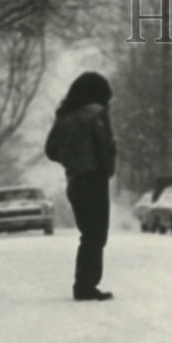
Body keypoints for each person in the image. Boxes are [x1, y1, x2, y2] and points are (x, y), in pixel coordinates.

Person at [45, 72, 117, 301]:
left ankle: (84, 283)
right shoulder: (96, 114)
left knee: (88, 234)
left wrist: (70, 160)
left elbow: (50, 150)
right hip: (94, 178)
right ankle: (85, 285)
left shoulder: (64, 117)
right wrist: (107, 166)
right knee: (96, 236)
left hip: (75, 180)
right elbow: (104, 147)